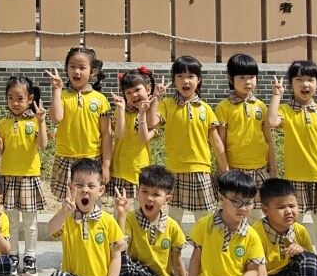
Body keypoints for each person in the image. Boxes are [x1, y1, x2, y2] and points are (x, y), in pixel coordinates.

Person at [43, 157, 125, 276]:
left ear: (100, 190)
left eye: (91, 186)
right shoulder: (67, 217)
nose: (85, 190)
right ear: (71, 188)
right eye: (79, 185)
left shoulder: (107, 221)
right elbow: (51, 229)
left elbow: (116, 258)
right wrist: (64, 212)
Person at [267, 61, 317, 250]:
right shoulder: (285, 111)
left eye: (310, 79)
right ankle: (295, 258)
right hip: (294, 180)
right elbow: (271, 121)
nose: (305, 84)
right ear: (291, 84)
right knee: (292, 223)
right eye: (299, 79)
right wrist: (276, 96)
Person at [183, 169, 264, 276]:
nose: (243, 208)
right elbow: (195, 260)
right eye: (236, 201)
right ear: (221, 198)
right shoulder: (204, 225)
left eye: (248, 203)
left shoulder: (251, 235)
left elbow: (253, 271)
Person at [113, 164, 186, 276]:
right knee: (119, 258)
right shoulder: (130, 219)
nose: (149, 198)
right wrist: (121, 214)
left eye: (156, 194)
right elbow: (119, 246)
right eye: (144, 191)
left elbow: (177, 264)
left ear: (167, 199)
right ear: (138, 193)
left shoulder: (172, 227)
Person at [159, 55, 228, 227]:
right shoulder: (166, 104)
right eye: (180, 76)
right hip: (175, 169)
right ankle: (174, 245)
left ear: (199, 80)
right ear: (173, 80)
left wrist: (225, 169)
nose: (186, 81)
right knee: (173, 219)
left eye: (191, 76)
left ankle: (205, 244)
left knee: (205, 218)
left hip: (201, 169)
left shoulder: (205, 108)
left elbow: (216, 141)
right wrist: (156, 98)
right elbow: (153, 121)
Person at [0, 74, 48, 276]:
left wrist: (41, 121)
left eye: (20, 98)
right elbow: (0, 152)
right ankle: (13, 255)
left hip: (28, 177)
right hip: (7, 177)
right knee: (11, 221)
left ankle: (30, 257)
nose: (15, 103)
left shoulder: (35, 120)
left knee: (30, 222)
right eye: (11, 98)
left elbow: (43, 145)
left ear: (30, 98)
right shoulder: (3, 122)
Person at [47, 46, 112, 202]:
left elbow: (107, 135)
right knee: (68, 204)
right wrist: (56, 90)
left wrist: (106, 166)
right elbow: (56, 118)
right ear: (66, 69)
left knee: (91, 203)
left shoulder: (100, 99)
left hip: (92, 159)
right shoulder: (61, 96)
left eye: (82, 68)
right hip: (66, 158)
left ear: (92, 71)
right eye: (72, 66)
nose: (76, 71)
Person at [215, 53, 275, 212]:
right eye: (241, 77)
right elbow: (220, 143)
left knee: (259, 214)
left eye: (251, 77)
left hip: (260, 171)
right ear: (230, 78)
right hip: (235, 171)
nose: (247, 81)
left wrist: (273, 168)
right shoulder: (224, 107)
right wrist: (224, 171)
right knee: (235, 212)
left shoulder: (261, 106)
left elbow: (268, 139)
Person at [108, 68, 158, 198]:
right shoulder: (121, 111)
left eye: (137, 90)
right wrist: (121, 109)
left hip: (140, 168)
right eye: (128, 92)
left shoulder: (151, 115)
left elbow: (144, 137)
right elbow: (119, 134)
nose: (133, 95)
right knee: (119, 206)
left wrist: (143, 111)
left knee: (140, 206)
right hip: (119, 168)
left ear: (148, 89)